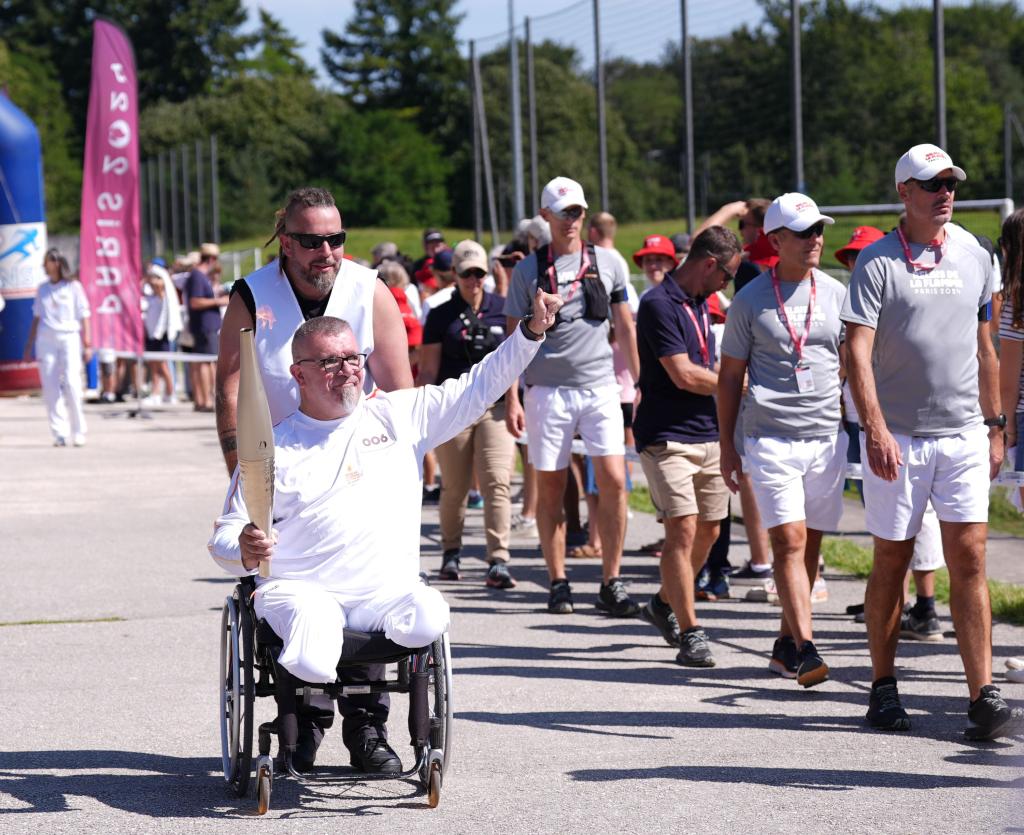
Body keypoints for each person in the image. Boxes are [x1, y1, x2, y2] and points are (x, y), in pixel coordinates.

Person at [210, 290, 561, 766]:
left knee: (429, 617)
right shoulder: (274, 448)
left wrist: (530, 335)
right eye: (331, 362)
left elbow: (479, 386)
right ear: (299, 373)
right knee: (313, 653)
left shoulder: (399, 417)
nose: (348, 370)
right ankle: (303, 724)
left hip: (380, 593)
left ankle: (369, 728)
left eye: (354, 358)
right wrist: (247, 550)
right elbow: (226, 537)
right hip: (301, 592)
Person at [214, 186, 414, 773]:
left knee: (367, 584)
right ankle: (300, 720)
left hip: (356, 465)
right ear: (285, 241)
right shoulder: (253, 294)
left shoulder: (368, 287)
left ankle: (367, 724)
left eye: (335, 238)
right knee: (295, 598)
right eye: (309, 240)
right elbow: (230, 388)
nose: (324, 250)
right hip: (280, 469)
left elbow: (399, 388)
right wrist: (242, 478)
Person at [842, 143, 1021, 738]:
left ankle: (983, 693)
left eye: (950, 182)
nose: (945, 192)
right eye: (931, 183)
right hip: (899, 437)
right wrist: (875, 428)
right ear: (904, 193)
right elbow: (857, 354)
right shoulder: (876, 261)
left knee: (969, 558)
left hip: (964, 433)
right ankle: (884, 686)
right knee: (892, 558)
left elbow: (986, 345)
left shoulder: (974, 251)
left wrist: (996, 426)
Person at [718, 192, 848, 688]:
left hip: (824, 435)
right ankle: (808, 650)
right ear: (776, 241)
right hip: (770, 437)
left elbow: (856, 363)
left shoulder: (836, 293)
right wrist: (729, 446)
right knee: (788, 542)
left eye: (819, 229)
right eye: (804, 232)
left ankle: (784, 644)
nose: (816, 239)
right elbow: (729, 378)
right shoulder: (750, 300)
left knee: (810, 541)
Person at [503, 176, 640, 617]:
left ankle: (611, 579)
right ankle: (558, 580)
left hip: (600, 386)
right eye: (563, 214)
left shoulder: (609, 260)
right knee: (552, 486)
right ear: (545, 216)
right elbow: (511, 339)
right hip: (547, 389)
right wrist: (512, 398)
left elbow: (625, 328)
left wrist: (639, 386)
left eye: (578, 213)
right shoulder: (528, 270)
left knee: (615, 481)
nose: (571, 222)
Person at [634, 226, 742, 667]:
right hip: (667, 437)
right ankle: (691, 631)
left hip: (709, 432)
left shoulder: (705, 302)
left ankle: (663, 603)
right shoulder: (658, 304)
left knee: (711, 530)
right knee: (682, 528)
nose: (727, 284)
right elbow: (683, 374)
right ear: (710, 264)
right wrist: (739, 386)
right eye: (728, 275)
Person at [835, 227, 946, 639]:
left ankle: (924, 605)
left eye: (861, 254)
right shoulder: (866, 295)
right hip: (866, 417)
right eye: (850, 257)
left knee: (912, 520)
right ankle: (903, 603)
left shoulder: (899, 295)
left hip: (895, 420)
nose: (855, 263)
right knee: (890, 522)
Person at [418, 239, 516, 588]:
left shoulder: (502, 308)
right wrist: (423, 408)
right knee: (455, 486)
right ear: (455, 276)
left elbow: (513, 362)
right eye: (466, 274)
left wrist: (516, 403)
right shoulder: (441, 315)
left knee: (497, 482)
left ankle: (498, 557)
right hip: (455, 406)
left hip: (496, 407)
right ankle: (451, 552)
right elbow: (428, 369)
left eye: (479, 273)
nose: (473, 280)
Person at [22, 248, 92, 446]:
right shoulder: (42, 288)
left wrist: (88, 342)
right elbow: (37, 317)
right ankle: (59, 432)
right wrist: (29, 344)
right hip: (46, 339)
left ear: (57, 263)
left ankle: (78, 430)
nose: (45, 266)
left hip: (69, 336)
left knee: (72, 382)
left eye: (47, 262)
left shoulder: (73, 287)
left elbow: (84, 314)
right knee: (50, 386)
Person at [184, 243, 227, 412]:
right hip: (205, 326)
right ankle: (206, 400)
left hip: (204, 326)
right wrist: (220, 301)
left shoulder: (198, 276)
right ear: (212, 259)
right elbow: (195, 302)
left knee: (201, 363)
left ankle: (202, 400)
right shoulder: (198, 276)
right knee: (205, 363)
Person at [141, 260, 183, 405]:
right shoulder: (150, 295)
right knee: (153, 365)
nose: (153, 281)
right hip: (152, 334)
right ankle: (156, 392)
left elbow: (160, 289)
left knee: (163, 365)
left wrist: (155, 280)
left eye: (156, 278)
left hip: (161, 334)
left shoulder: (163, 295)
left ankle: (170, 392)